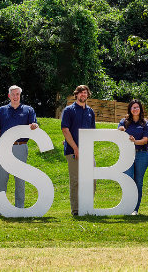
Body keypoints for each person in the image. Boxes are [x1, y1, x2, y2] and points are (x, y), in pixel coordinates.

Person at [0, 85, 39, 218]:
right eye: (13, 94)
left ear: (20, 95)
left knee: (20, 180)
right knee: (2, 180)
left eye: (17, 94)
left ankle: (19, 209)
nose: (15, 96)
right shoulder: (2, 110)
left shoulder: (28, 110)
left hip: (20, 147)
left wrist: (35, 125)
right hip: (4, 148)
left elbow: (33, 125)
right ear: (9, 96)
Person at [60, 85, 95, 216]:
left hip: (88, 150)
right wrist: (75, 147)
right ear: (76, 95)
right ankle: (76, 210)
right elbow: (65, 130)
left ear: (88, 95)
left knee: (92, 179)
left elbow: (92, 132)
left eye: (85, 93)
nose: (83, 95)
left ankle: (87, 208)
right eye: (80, 93)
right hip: (72, 151)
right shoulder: (68, 110)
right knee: (76, 182)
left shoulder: (90, 111)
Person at [118, 99, 148, 216]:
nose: (135, 109)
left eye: (137, 107)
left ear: (140, 109)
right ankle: (127, 207)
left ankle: (135, 209)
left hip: (141, 155)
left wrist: (134, 141)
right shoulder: (124, 121)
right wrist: (120, 130)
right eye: (133, 107)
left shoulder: (146, 124)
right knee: (128, 181)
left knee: (138, 182)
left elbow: (145, 140)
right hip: (127, 154)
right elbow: (118, 133)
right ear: (130, 109)